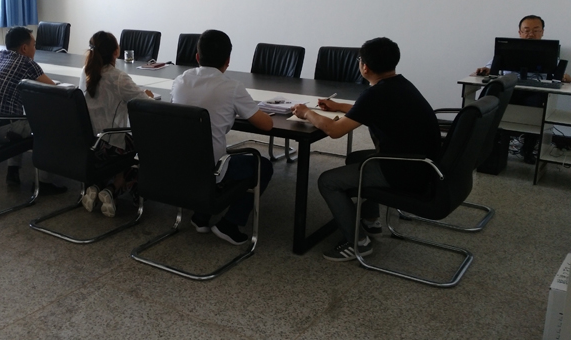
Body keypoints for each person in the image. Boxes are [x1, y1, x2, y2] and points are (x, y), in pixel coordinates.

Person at [292, 37, 441, 262]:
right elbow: (368, 108)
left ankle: (358, 243)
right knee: (355, 158)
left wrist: (307, 113)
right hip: (423, 164)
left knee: (328, 181)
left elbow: (334, 130)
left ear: (365, 67)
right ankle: (371, 221)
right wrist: (338, 106)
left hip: (404, 170)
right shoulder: (399, 84)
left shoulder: (376, 93)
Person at [170, 29, 274, 245]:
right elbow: (266, 124)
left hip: (179, 164)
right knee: (263, 166)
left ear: (197, 57)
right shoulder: (232, 87)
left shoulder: (180, 80)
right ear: (228, 60)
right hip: (213, 168)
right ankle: (230, 223)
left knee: (204, 151)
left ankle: (201, 216)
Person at [0, 26, 65, 193]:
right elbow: (54, 90)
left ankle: (13, 171)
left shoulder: (0, 57)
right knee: (51, 125)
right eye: (34, 45)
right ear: (24, 48)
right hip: (5, 130)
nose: (35, 48)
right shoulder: (26, 63)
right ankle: (44, 182)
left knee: (17, 115)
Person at [474, 15, 570, 164]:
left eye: (536, 30)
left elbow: (559, 73)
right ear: (520, 32)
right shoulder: (507, 48)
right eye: (526, 30)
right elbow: (490, 66)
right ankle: (490, 146)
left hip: (535, 91)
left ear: (542, 32)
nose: (531, 34)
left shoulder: (549, 52)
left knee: (537, 107)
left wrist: (564, 76)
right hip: (510, 88)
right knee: (491, 96)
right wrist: (486, 70)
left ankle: (528, 149)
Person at [78, 31, 154, 217]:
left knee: (124, 143)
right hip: (109, 145)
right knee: (145, 147)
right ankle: (113, 188)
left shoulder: (85, 71)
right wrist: (149, 96)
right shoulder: (119, 78)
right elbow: (146, 106)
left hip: (88, 143)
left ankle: (99, 186)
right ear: (116, 52)